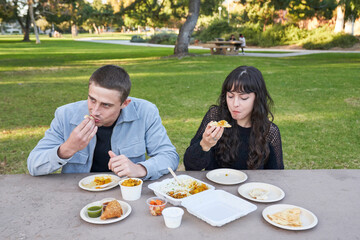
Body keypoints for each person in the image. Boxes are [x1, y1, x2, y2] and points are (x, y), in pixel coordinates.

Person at [27, 65, 179, 180]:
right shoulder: (65, 115)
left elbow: (169, 156)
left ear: (125, 103)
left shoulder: (145, 112)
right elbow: (34, 165)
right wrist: (67, 148)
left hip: (125, 192)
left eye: (106, 105)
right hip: (77, 193)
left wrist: (140, 169)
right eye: (92, 100)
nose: (95, 111)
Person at [183, 66, 283, 170]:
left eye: (243, 98)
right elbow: (190, 166)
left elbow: (276, 175)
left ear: (257, 99)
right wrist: (204, 145)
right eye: (230, 96)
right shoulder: (216, 117)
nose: (235, 104)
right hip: (215, 185)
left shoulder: (269, 131)